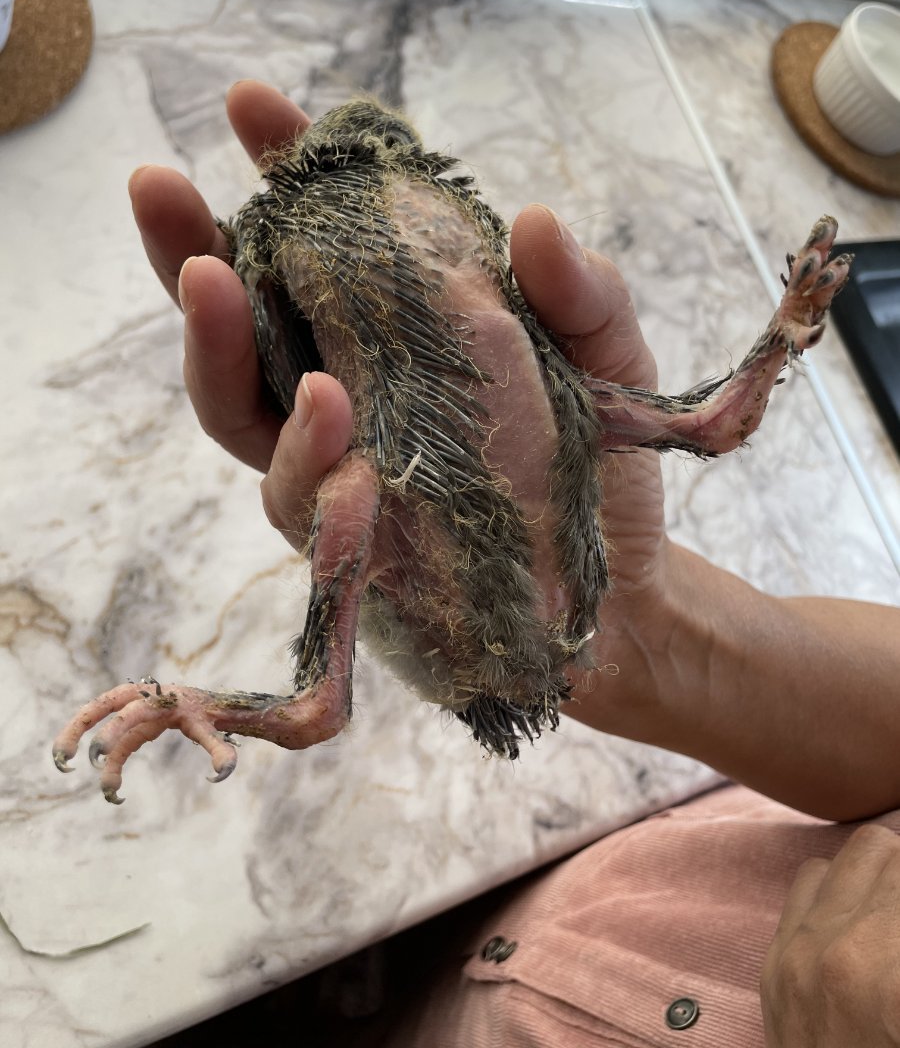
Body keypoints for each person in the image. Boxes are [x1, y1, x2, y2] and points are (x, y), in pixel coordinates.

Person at [132, 80, 900, 1047]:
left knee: (355, 491)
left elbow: (707, 425)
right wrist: (645, 618)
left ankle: (304, 719)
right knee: (361, 486)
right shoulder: (324, 250)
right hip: (587, 895)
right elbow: (705, 425)